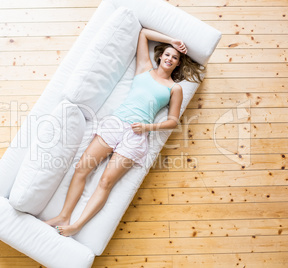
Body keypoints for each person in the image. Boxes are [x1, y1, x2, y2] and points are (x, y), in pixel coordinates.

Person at [45, 28, 205, 236]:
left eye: (174, 58)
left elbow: (173, 121)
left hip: (137, 135)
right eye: (167, 54)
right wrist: (172, 41)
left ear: (177, 64)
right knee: (81, 168)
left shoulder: (174, 88)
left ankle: (77, 225)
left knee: (105, 182)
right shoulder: (143, 68)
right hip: (115, 125)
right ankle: (64, 216)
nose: (170, 58)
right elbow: (144, 34)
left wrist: (149, 127)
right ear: (160, 56)